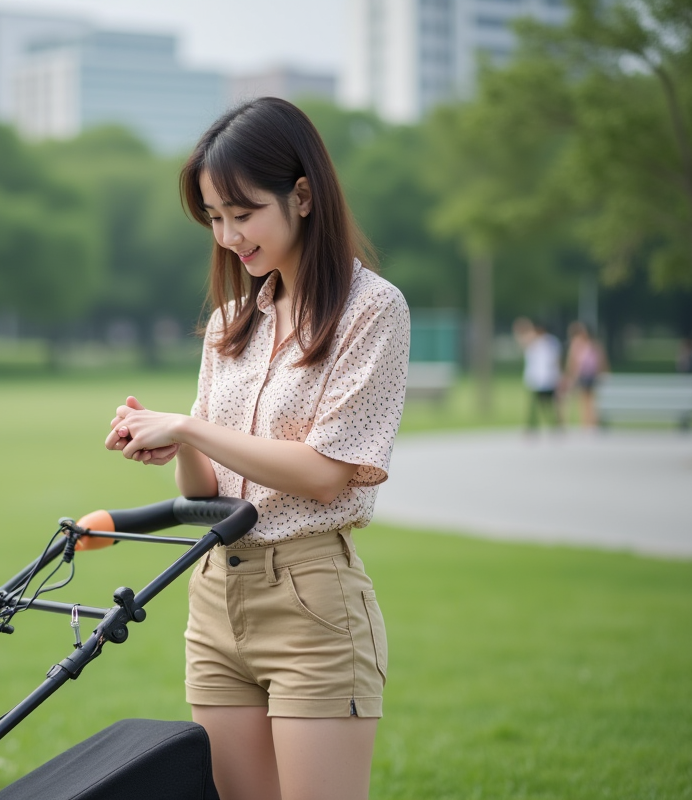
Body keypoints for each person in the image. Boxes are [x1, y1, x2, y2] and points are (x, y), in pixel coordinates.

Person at [99, 98, 410, 800]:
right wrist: (168, 442)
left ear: (302, 196)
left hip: (311, 604)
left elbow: (328, 475)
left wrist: (187, 427)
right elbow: (209, 488)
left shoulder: (373, 310)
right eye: (213, 217)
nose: (228, 235)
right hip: (215, 598)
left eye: (243, 213)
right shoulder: (230, 324)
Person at [514, 317, 563, 433]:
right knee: (534, 405)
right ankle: (533, 426)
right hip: (535, 378)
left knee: (549, 403)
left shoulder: (550, 342)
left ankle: (554, 425)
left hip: (548, 378)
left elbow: (556, 360)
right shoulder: (533, 342)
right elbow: (522, 342)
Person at [563, 321, 606, 428]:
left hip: (592, 375)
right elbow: (572, 362)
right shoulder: (576, 344)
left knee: (591, 400)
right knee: (582, 400)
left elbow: (601, 360)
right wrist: (570, 375)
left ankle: (592, 422)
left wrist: (603, 372)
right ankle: (585, 423)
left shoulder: (594, 344)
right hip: (581, 375)